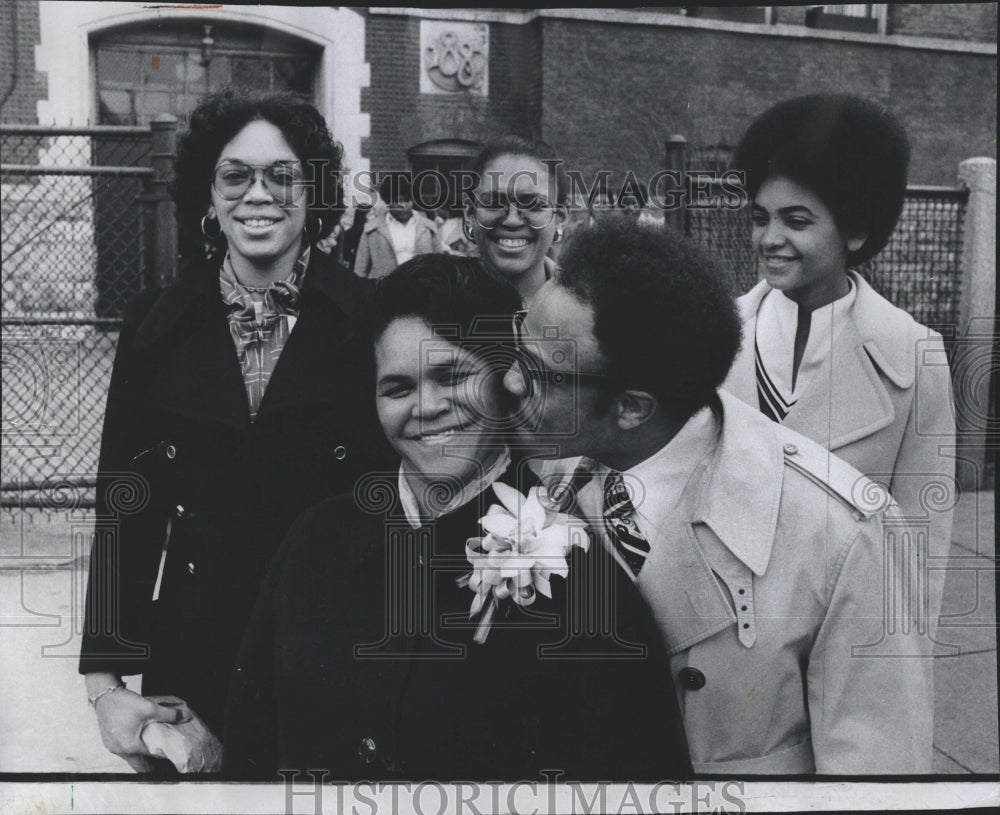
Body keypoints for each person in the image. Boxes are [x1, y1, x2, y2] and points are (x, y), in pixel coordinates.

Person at [224, 254, 692, 781]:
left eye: (452, 376)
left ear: (506, 381)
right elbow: (251, 745)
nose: (426, 406)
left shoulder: (584, 582)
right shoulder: (313, 542)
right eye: (397, 387)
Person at [501, 217, 934, 774]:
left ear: (632, 407)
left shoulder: (845, 534)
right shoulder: (544, 468)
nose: (511, 383)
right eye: (519, 344)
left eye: (539, 372)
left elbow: (878, 778)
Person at [79, 88, 391, 773]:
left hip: (334, 652)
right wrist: (104, 683)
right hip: (195, 660)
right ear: (208, 195)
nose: (259, 194)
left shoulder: (368, 320)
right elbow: (124, 504)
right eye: (236, 175)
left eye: (282, 175)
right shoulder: (156, 325)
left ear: (314, 193)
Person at [723, 94, 956, 631]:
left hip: (840, 652)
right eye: (761, 218)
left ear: (855, 229)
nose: (770, 239)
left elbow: (918, 552)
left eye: (797, 220)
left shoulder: (915, 360)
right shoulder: (715, 336)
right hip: (720, 658)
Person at [464, 136, 568, 302]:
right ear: (470, 215)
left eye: (533, 204)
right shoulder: (434, 305)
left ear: (559, 219)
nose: (512, 220)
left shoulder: (591, 307)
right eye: (494, 203)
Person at [354, 175, 438, 279]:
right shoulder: (372, 229)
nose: (402, 205)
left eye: (406, 200)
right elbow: (360, 269)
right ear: (388, 202)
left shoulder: (429, 228)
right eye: (397, 201)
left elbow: (441, 265)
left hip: (422, 290)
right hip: (383, 291)